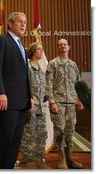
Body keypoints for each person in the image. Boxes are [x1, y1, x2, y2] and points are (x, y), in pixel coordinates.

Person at [0, 12, 33, 169]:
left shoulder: (21, 45)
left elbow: (23, 75)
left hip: (22, 101)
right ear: (10, 24)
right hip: (6, 101)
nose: (23, 25)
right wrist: (0, 92)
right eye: (20, 22)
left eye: (25, 22)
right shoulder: (1, 40)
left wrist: (30, 96)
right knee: (4, 141)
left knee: (15, 141)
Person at [45, 38, 84, 169]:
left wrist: (80, 100)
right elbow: (48, 85)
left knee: (70, 130)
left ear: (69, 47)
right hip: (58, 103)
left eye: (64, 45)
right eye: (60, 45)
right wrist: (52, 102)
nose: (62, 46)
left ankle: (69, 157)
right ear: (58, 47)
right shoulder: (53, 64)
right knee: (60, 131)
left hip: (71, 104)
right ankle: (61, 158)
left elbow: (79, 84)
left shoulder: (73, 65)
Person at [20, 42, 50, 169]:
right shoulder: (27, 66)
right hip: (30, 106)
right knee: (29, 134)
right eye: (38, 49)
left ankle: (39, 157)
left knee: (42, 133)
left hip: (41, 108)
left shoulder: (42, 69)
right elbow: (23, 85)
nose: (41, 51)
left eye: (42, 49)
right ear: (33, 51)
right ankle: (30, 159)